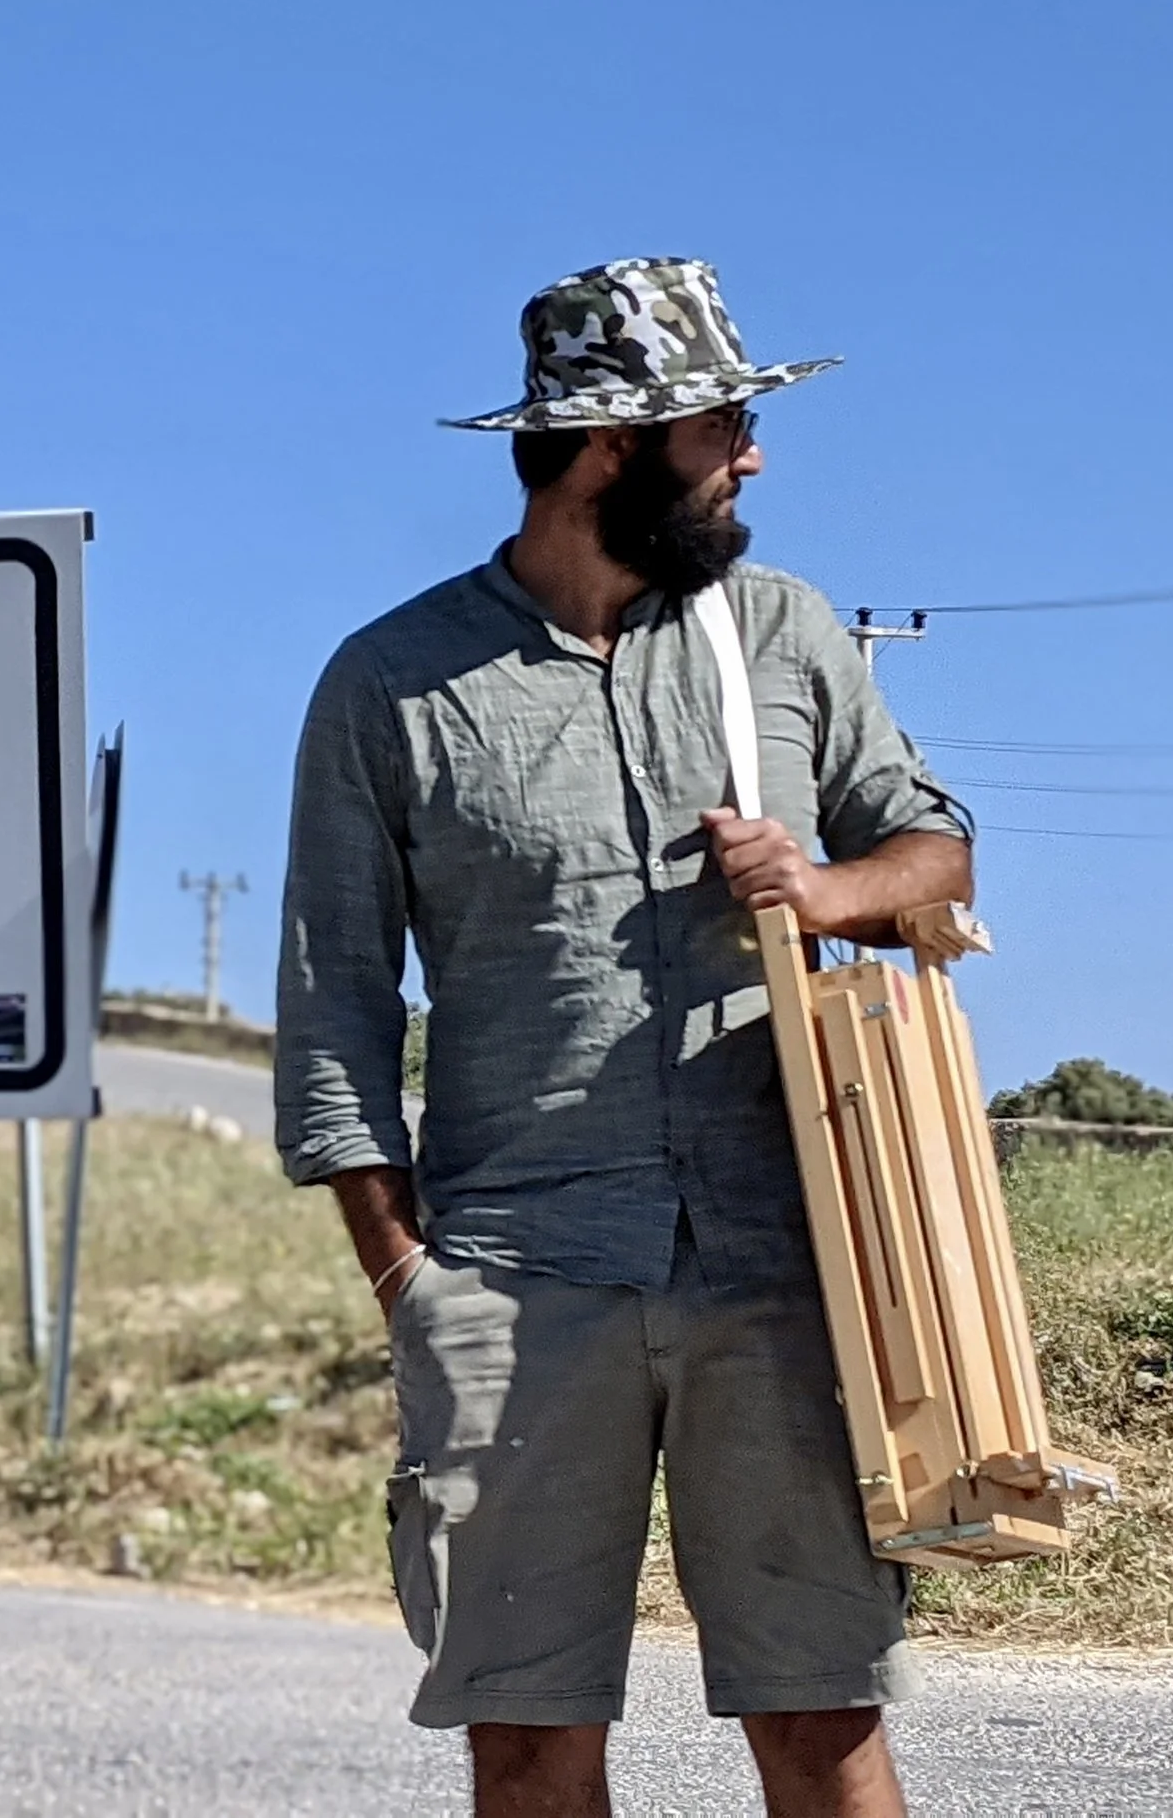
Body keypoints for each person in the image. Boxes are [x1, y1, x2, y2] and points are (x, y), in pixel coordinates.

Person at [274, 257, 970, 1818]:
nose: (752, 456)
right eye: (723, 422)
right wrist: (410, 1278)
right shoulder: (388, 686)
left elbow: (939, 867)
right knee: (528, 1744)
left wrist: (827, 882)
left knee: (823, 1723)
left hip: (783, 1275)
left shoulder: (783, 635)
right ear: (609, 446)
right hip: (513, 1283)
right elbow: (333, 1010)